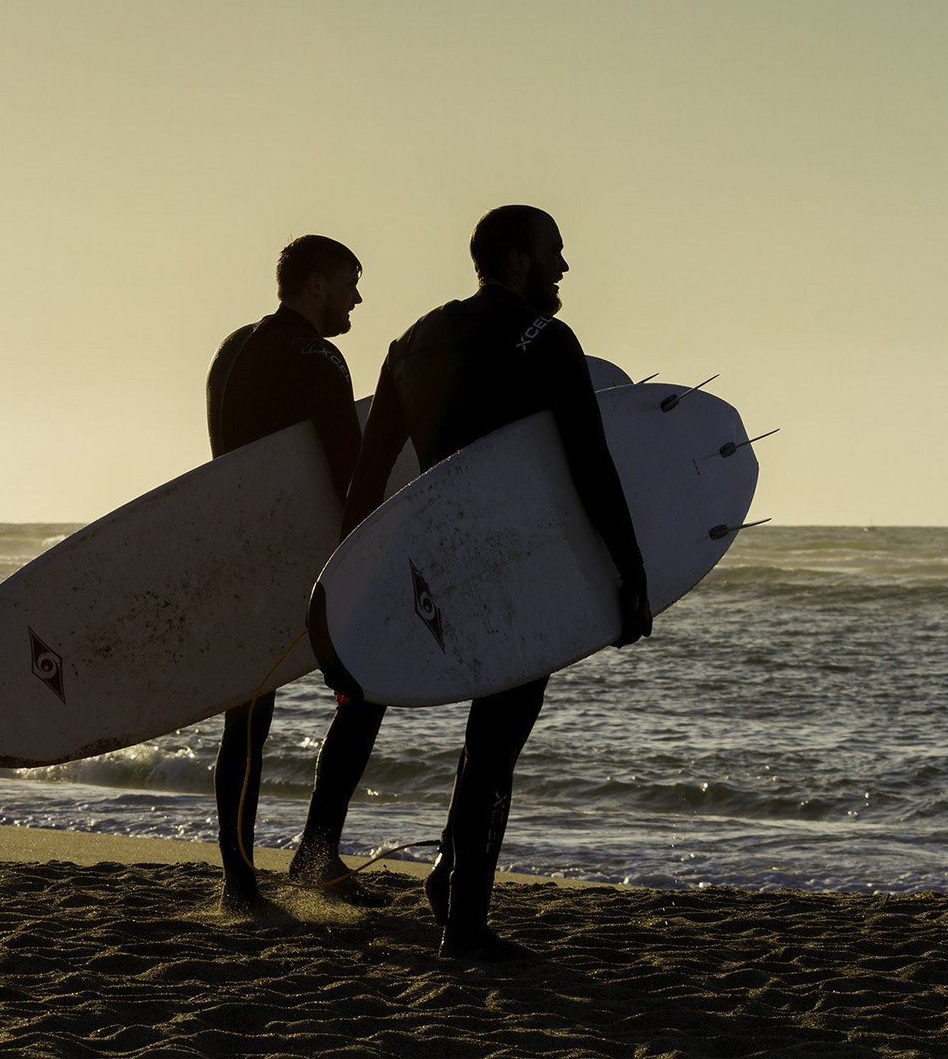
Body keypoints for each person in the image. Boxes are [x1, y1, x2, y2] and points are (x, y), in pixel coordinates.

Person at [336, 206, 651, 959]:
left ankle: (453, 878)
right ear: (515, 260)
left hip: (441, 562)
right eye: (554, 253)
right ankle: (463, 920)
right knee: (496, 740)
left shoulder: (409, 342)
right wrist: (631, 575)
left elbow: (369, 477)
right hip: (517, 563)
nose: (564, 268)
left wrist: (349, 587)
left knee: (490, 740)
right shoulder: (546, 340)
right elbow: (589, 465)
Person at [205, 234, 389, 916]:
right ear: (315, 284)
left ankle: (239, 881)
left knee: (246, 719)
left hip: (237, 555)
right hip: (300, 562)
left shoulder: (233, 352)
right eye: (349, 283)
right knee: (363, 688)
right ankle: (315, 854)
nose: (356, 299)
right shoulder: (316, 354)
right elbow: (350, 471)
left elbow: (229, 465)